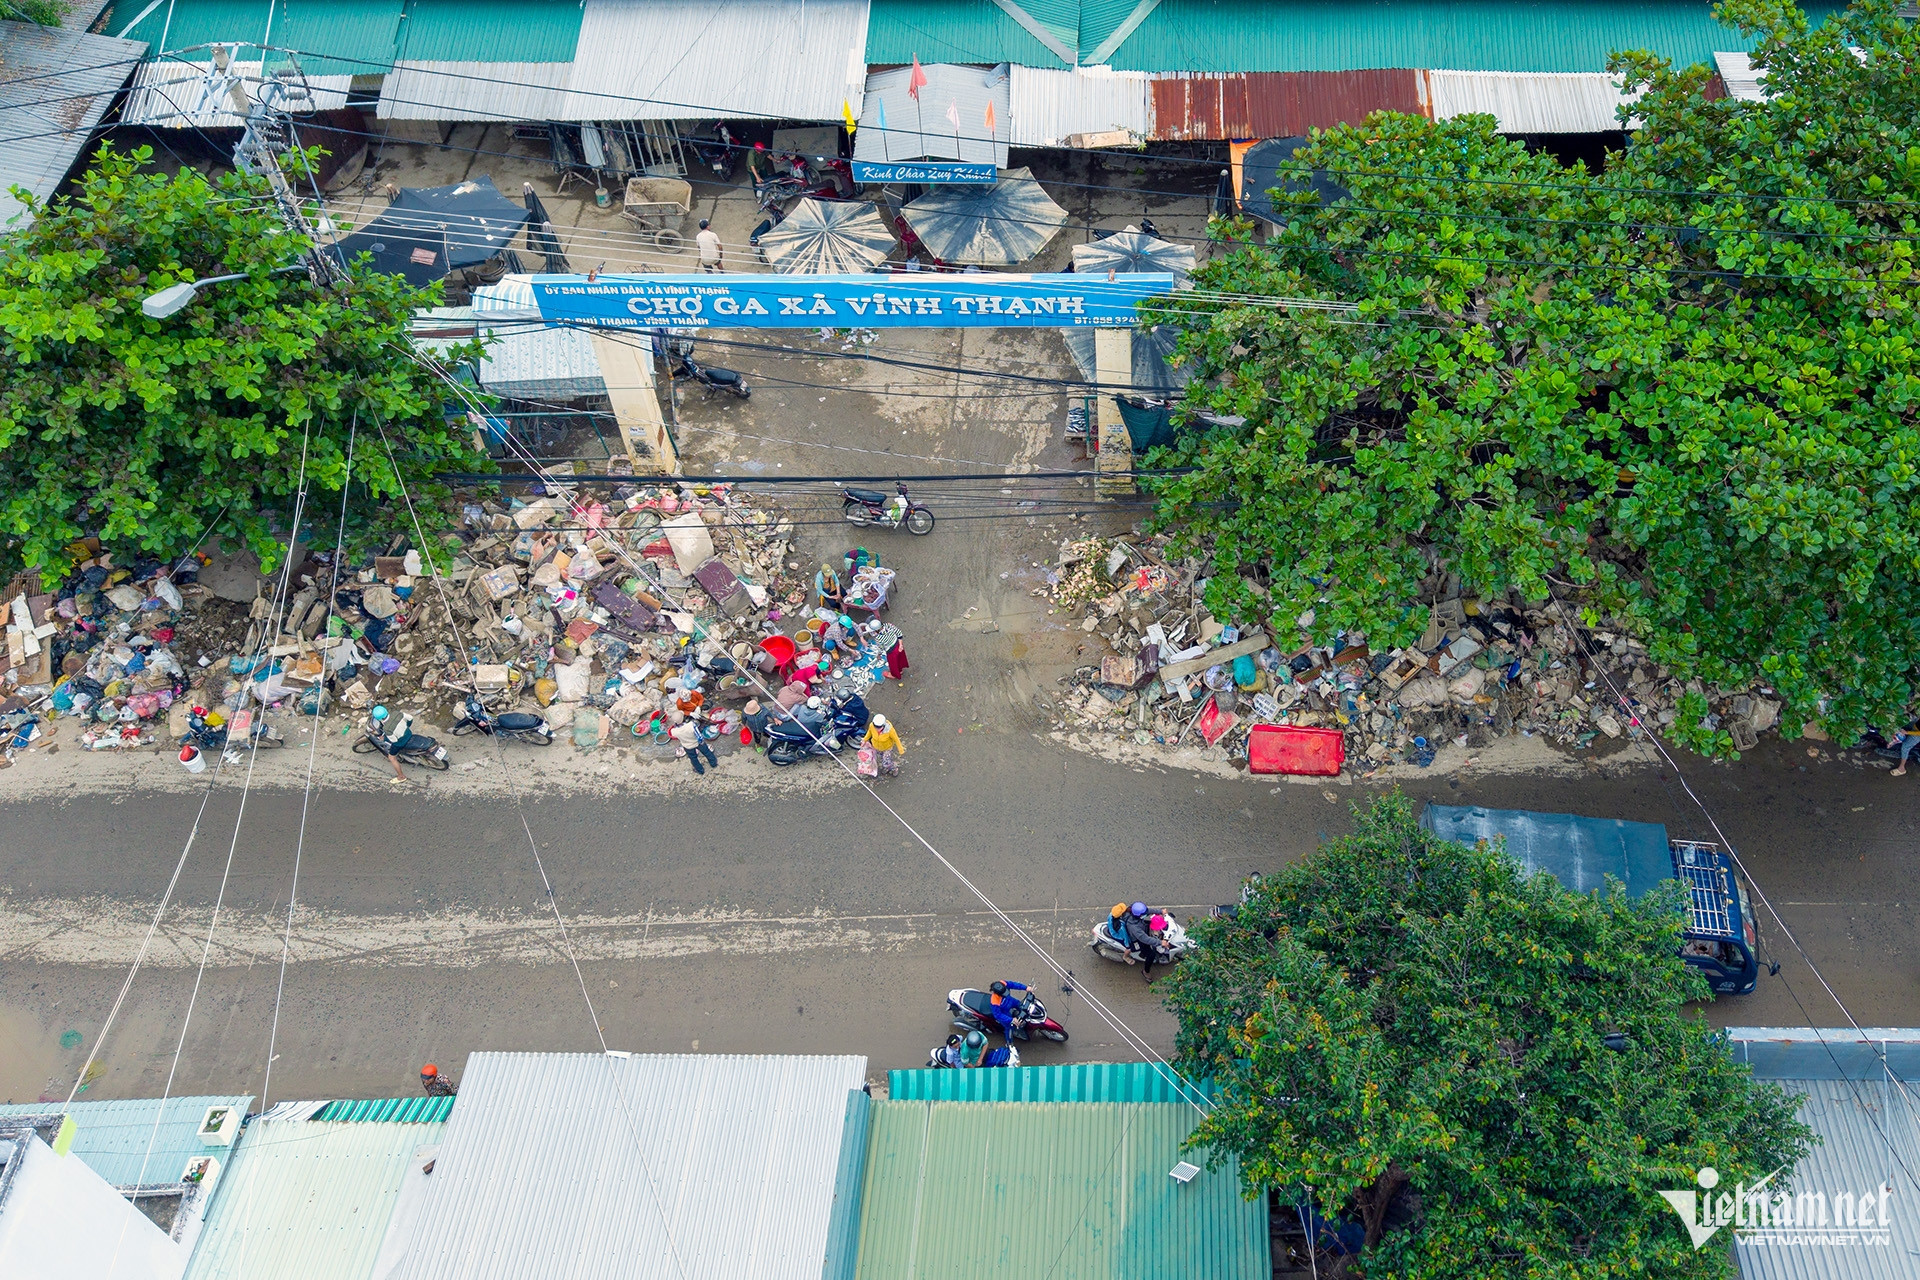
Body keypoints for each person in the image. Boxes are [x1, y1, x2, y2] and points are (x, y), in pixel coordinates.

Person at [365, 705, 410, 782]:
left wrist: (384, 738)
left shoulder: (387, 729)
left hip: (401, 742)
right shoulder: (397, 713)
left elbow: (394, 740)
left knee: (392, 758)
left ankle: (401, 776)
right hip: (408, 733)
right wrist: (406, 726)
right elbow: (410, 718)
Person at [1124, 901, 1161, 981]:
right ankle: (1146, 972)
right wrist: (1160, 942)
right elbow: (1145, 939)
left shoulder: (1135, 912)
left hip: (1142, 927)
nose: (1145, 914)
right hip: (1137, 940)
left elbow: (1148, 911)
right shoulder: (1134, 927)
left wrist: (1160, 911)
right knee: (1151, 955)